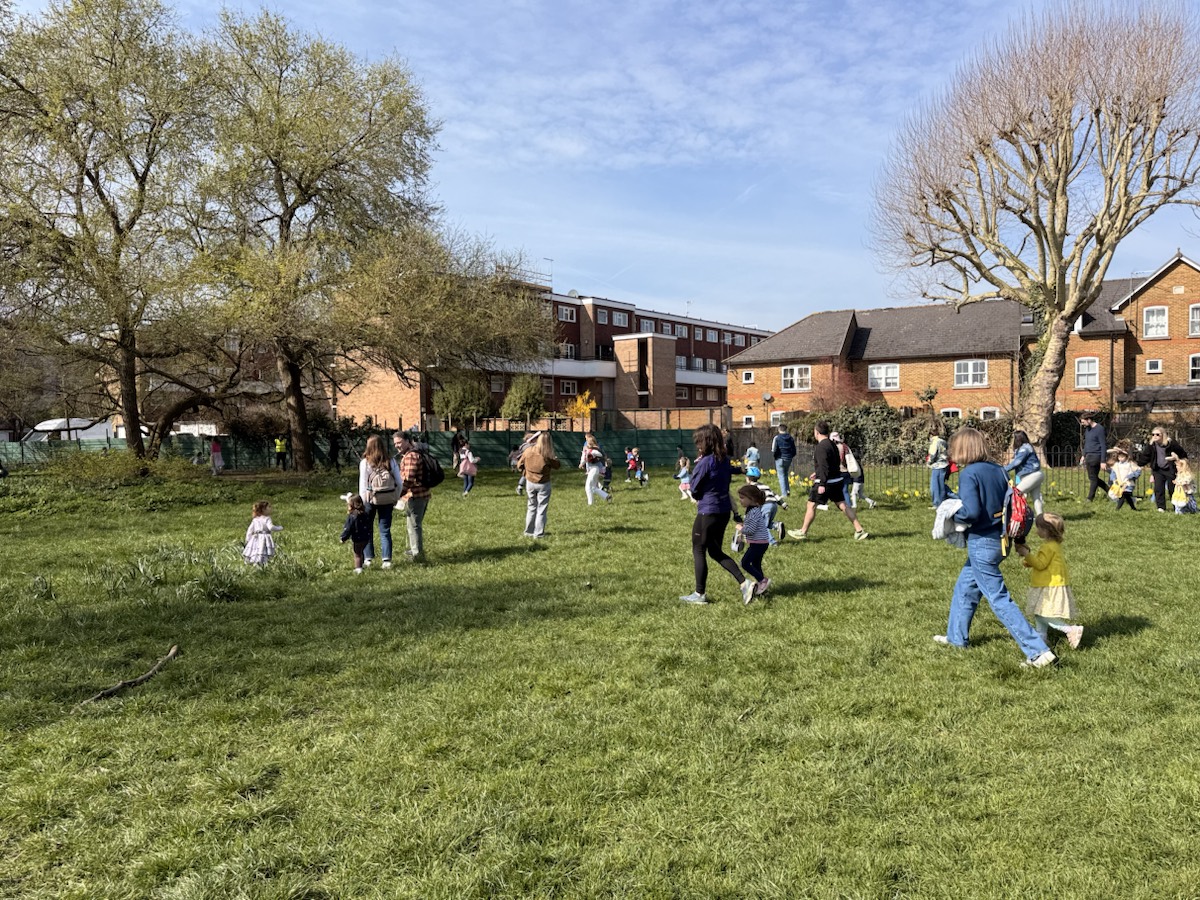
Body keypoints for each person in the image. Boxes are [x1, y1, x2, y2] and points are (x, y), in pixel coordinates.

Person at [933, 427, 1056, 668]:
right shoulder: (998, 470)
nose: (951, 453)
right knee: (965, 589)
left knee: (999, 599)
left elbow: (971, 512)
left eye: (954, 448)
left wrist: (949, 512)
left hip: (982, 543)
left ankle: (1038, 652)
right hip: (1001, 541)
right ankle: (956, 638)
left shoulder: (969, 474)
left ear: (963, 449)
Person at [680, 424, 757, 606]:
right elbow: (728, 472)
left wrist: (698, 496)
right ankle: (745, 584)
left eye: (699, 441)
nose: (697, 445)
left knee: (698, 549)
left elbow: (694, 486)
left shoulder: (705, 462)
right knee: (714, 550)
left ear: (706, 441)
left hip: (708, 511)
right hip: (723, 511)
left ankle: (699, 594)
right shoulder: (724, 459)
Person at [789, 421, 868, 541]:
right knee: (843, 505)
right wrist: (817, 473)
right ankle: (859, 530)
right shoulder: (832, 444)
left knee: (811, 505)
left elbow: (824, 465)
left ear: (816, 432)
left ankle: (803, 532)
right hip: (837, 480)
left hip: (826, 482)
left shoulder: (821, 447)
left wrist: (821, 483)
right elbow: (832, 463)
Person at [1016, 512, 1083, 650]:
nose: (1036, 531)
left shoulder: (1047, 547)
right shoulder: (1053, 545)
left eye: (1039, 528)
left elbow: (1040, 564)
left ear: (1046, 531)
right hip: (1051, 583)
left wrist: (1026, 554)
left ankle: (1070, 630)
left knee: (1045, 614)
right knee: (1039, 612)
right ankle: (1042, 639)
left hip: (1049, 585)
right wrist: (1029, 560)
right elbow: (1044, 562)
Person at [358, 434, 402, 569]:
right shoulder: (391, 461)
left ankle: (368, 559)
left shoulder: (365, 463)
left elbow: (362, 485)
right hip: (387, 499)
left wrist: (363, 502)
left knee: (367, 529)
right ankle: (387, 560)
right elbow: (399, 482)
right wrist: (396, 497)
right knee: (385, 530)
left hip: (370, 500)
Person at [394, 431, 432, 561]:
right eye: (395, 444)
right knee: (412, 525)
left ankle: (417, 555)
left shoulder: (411, 456)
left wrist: (398, 495)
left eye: (399, 442)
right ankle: (414, 549)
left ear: (407, 441)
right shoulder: (414, 453)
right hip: (420, 494)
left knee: (414, 526)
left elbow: (408, 479)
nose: (397, 446)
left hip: (415, 495)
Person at [518, 431, 560, 538]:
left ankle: (528, 531)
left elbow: (519, 465)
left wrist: (526, 473)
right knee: (541, 508)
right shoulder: (547, 455)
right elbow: (557, 465)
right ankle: (539, 533)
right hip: (543, 483)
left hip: (530, 482)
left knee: (531, 507)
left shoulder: (527, 451)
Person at [734, 483, 772, 600]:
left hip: (758, 544)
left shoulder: (753, 512)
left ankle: (762, 580)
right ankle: (762, 586)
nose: (740, 501)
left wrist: (741, 528)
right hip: (760, 542)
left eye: (742, 498)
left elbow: (750, 530)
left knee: (745, 563)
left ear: (752, 499)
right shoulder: (752, 510)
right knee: (755, 564)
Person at [1147, 426, 1188, 512]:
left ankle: (1176, 506)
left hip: (1170, 469)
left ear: (1163, 435)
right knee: (1158, 488)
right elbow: (1147, 457)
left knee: (1172, 488)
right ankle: (1161, 507)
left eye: (1157, 434)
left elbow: (1182, 453)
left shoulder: (1171, 444)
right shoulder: (1152, 445)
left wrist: (1179, 462)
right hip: (1158, 469)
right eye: (1153, 434)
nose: (1155, 436)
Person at [832, 431, 876, 510]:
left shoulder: (835, 447)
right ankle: (870, 502)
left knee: (849, 492)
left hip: (843, 472)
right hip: (850, 474)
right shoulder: (845, 447)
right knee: (857, 493)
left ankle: (853, 507)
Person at [1004, 430, 1044, 516]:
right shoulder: (1025, 447)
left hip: (1032, 475)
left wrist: (1003, 469)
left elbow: (1017, 463)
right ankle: (1040, 517)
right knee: (1036, 498)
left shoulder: (1024, 449)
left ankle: (1019, 516)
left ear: (1017, 439)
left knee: (1017, 493)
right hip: (1035, 474)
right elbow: (1018, 469)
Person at [746, 468, 786, 544]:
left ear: (748, 478)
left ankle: (772, 542)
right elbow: (775, 495)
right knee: (766, 523)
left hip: (765, 506)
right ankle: (777, 525)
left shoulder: (751, 488)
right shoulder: (764, 486)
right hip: (774, 505)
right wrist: (783, 504)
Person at [339, 494, 373, 574]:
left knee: (357, 553)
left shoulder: (352, 516)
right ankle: (362, 564)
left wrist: (343, 538)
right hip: (366, 537)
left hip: (357, 538)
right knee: (361, 551)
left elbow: (348, 529)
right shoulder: (365, 514)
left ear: (351, 506)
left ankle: (358, 568)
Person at [243, 500, 283, 566]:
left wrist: (248, 539)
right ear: (263, 509)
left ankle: (255, 562)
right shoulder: (267, 518)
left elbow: (250, 530)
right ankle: (262, 563)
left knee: (256, 549)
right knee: (263, 548)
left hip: (255, 537)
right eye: (269, 507)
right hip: (265, 537)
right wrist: (279, 528)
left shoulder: (255, 519)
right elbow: (271, 527)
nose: (271, 508)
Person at [1079, 412, 1108, 501]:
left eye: (1083, 422)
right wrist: (1083, 455)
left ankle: (1090, 498)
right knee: (1092, 477)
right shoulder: (1088, 429)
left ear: (1089, 420)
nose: (1082, 424)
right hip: (1089, 455)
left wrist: (1103, 461)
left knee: (1093, 478)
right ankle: (1109, 490)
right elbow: (1087, 443)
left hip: (1096, 455)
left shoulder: (1099, 429)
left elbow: (1103, 445)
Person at [579, 434, 611, 505]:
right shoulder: (588, 451)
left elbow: (600, 455)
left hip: (594, 469)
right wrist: (581, 464)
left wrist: (592, 453)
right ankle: (606, 496)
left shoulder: (593, 451)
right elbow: (584, 458)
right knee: (593, 487)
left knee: (587, 486)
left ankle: (590, 504)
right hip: (592, 470)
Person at [770, 424, 796, 498]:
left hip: (780, 458)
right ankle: (787, 491)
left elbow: (773, 449)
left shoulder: (777, 438)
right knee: (785, 474)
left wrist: (776, 457)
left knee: (781, 476)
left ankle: (784, 494)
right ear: (786, 429)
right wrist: (791, 456)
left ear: (779, 429)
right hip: (788, 458)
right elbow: (794, 450)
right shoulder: (791, 438)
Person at [927, 426, 950, 507]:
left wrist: (929, 462)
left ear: (930, 435)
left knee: (935, 486)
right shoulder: (943, 441)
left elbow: (933, 454)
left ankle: (937, 503)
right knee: (941, 485)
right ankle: (943, 501)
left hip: (937, 466)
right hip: (945, 464)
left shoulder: (934, 442)